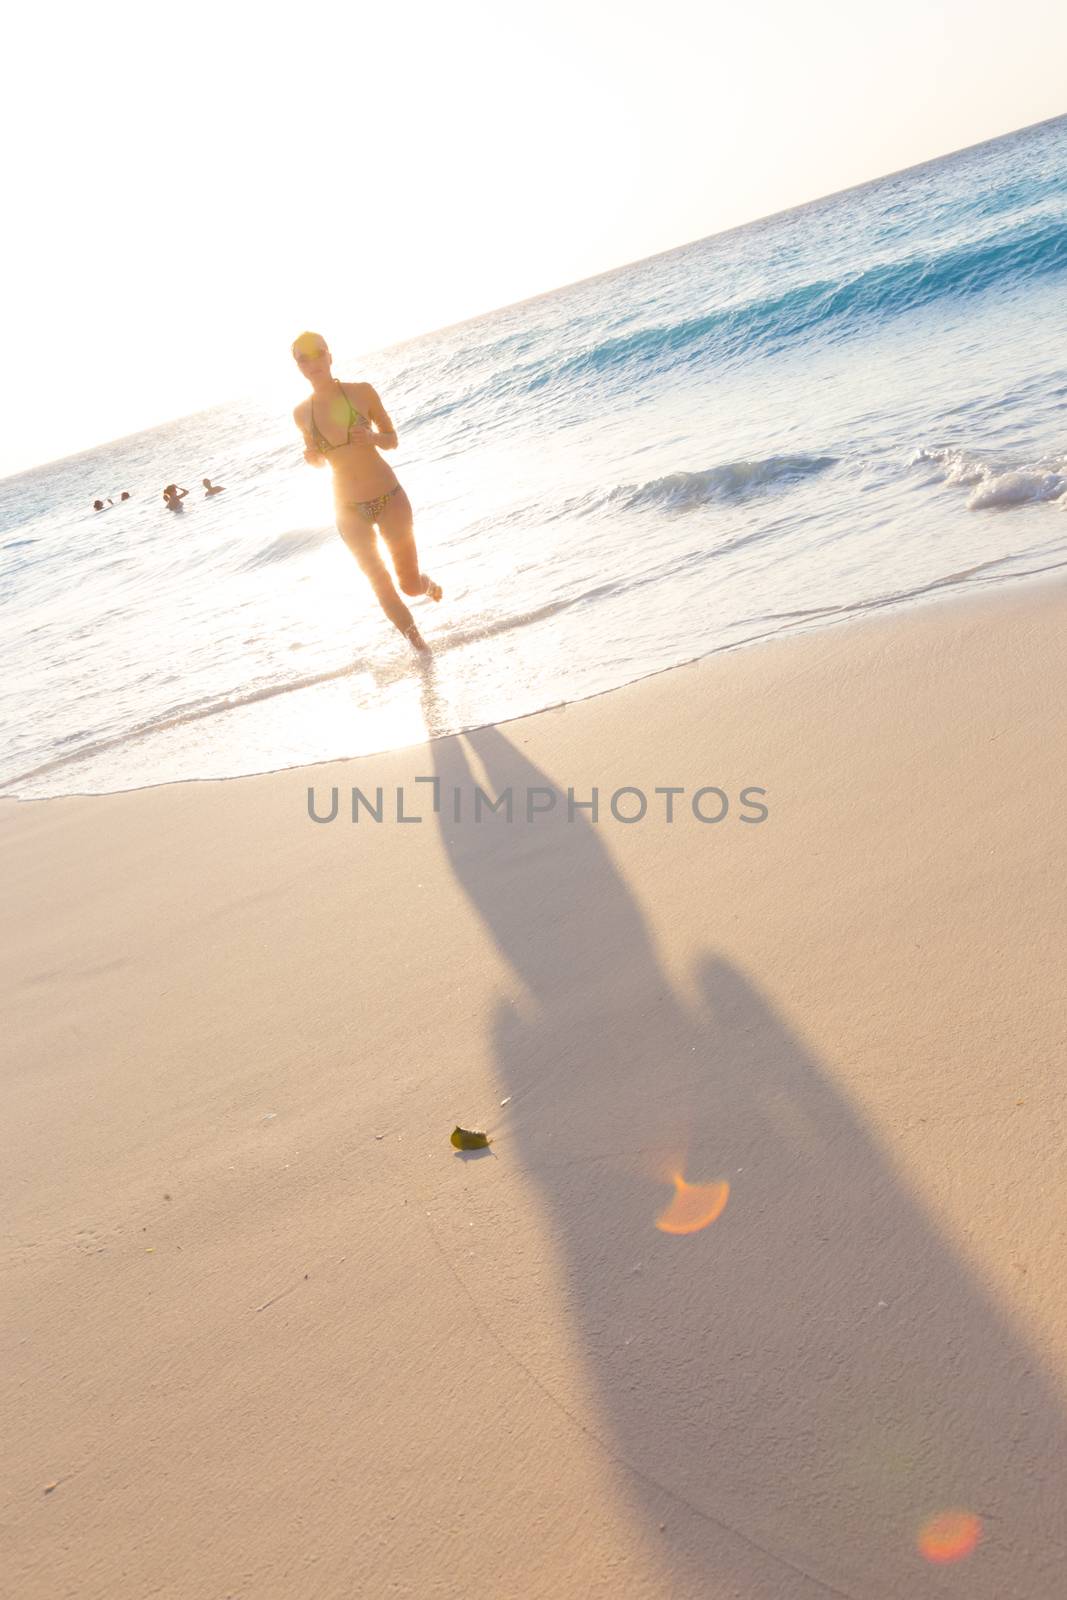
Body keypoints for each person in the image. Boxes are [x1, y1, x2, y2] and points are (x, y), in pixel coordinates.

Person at [290, 331, 442, 653]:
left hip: (389, 497)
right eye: (303, 358)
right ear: (299, 367)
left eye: (317, 353)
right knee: (382, 587)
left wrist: (372, 438)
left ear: (329, 355)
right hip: (347, 509)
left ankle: (426, 585)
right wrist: (313, 459)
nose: (312, 362)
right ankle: (422, 651)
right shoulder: (302, 414)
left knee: (408, 585)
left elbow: (392, 439)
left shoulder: (362, 392)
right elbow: (318, 460)